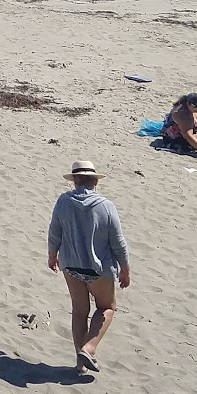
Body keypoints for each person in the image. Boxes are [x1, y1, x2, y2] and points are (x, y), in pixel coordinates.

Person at [47, 160, 130, 374]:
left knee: (80, 311)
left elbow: (54, 231)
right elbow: (117, 241)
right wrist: (125, 268)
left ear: (75, 181)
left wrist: (52, 255)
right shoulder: (105, 205)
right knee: (106, 307)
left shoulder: (63, 201)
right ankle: (89, 348)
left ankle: (80, 363)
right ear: (95, 181)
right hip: (98, 268)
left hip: (71, 264)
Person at [162, 93, 197, 159]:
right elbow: (187, 136)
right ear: (188, 103)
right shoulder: (183, 115)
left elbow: (194, 118)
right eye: (196, 107)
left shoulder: (186, 107)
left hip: (186, 131)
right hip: (175, 139)